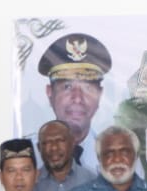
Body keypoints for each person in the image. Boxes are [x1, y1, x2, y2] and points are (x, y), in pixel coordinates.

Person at [37, 32, 111, 173]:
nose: (77, 98)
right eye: (67, 87)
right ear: (49, 93)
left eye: (87, 88)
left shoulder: (115, 155)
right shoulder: (29, 156)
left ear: (100, 95)